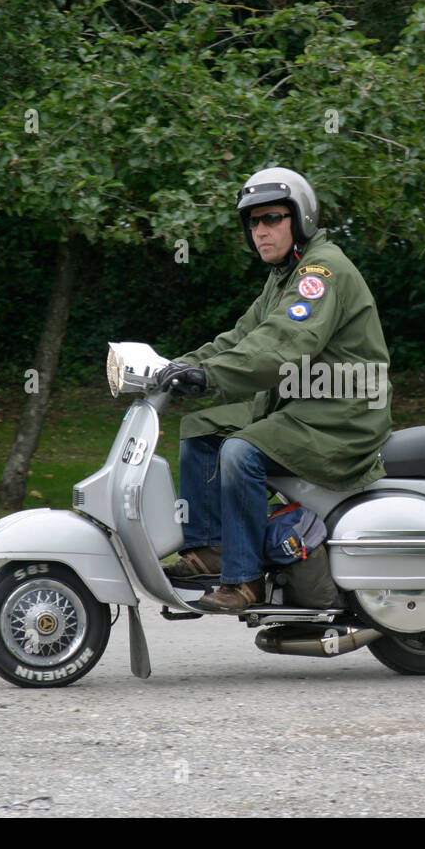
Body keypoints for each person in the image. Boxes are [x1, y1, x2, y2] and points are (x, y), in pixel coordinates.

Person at [157, 167, 392, 611]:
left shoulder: (320, 273)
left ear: (299, 218)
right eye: (253, 223)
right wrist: (180, 367)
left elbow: (284, 343)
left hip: (342, 416)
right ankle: (213, 547)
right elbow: (240, 338)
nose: (260, 231)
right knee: (201, 427)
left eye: (272, 219)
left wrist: (211, 376)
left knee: (239, 451)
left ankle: (246, 581)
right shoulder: (284, 276)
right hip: (303, 405)